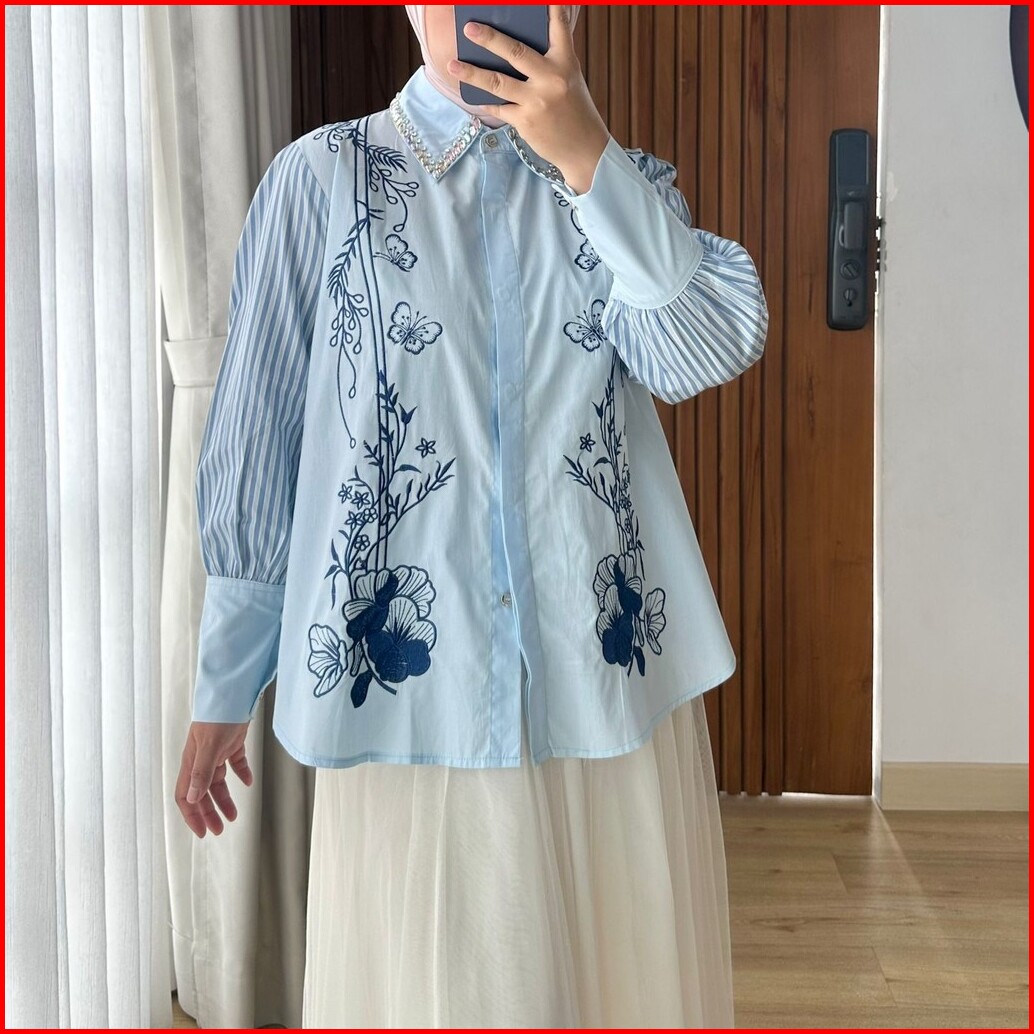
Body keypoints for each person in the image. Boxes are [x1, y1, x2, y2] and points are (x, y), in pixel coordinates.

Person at [176, 4, 768, 1027]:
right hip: (411, 712)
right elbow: (258, 440)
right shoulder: (320, 181)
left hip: (599, 705)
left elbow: (703, 349)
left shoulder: (621, 187)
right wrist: (226, 678)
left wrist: (586, 155)